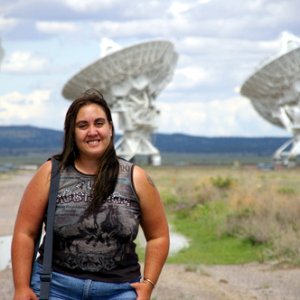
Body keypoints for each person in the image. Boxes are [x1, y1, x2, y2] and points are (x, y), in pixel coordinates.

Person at [11, 88, 170, 300]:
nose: (92, 131)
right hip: (56, 288)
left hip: (118, 291)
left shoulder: (137, 178)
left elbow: (158, 236)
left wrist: (148, 284)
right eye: (82, 125)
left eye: (99, 123)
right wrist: (22, 288)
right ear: (72, 132)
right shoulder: (50, 173)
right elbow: (25, 233)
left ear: (111, 129)